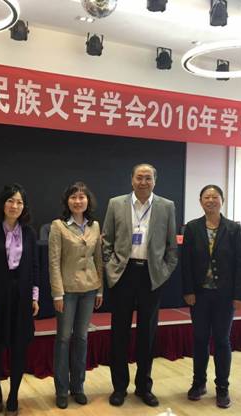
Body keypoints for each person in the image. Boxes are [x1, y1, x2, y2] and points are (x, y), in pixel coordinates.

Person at [102, 163, 178, 408]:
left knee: (147, 334)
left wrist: (163, 272)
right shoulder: (116, 203)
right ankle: (119, 388)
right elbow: (106, 240)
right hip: (123, 275)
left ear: (155, 181)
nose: (143, 182)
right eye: (139, 177)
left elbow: (171, 246)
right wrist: (111, 266)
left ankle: (144, 387)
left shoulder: (166, 206)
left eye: (148, 178)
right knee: (119, 334)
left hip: (151, 276)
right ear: (131, 180)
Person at [0, 184, 40, 416]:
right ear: (3, 203)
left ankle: (13, 396)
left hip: (21, 297)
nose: (15, 206)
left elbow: (35, 267)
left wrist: (34, 296)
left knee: (19, 349)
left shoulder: (29, 233)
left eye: (19, 202)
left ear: (24, 206)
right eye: (11, 201)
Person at [182, 184, 241, 409]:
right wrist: (188, 291)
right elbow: (186, 263)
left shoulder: (233, 228)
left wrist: (239, 295)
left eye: (215, 197)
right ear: (200, 201)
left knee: (221, 340)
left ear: (222, 200)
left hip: (224, 296)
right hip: (199, 295)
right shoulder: (192, 228)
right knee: (200, 339)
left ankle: (222, 388)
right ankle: (198, 383)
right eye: (206, 197)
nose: (210, 200)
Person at [48, 181, 104, 409]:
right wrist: (57, 294)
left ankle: (78, 387)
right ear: (67, 201)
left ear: (88, 201)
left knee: (82, 338)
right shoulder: (58, 226)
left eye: (82, 197)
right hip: (67, 291)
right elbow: (53, 262)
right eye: (73, 197)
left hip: (89, 289)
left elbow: (99, 259)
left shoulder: (95, 226)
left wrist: (100, 288)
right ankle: (61, 389)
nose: (78, 201)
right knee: (63, 339)